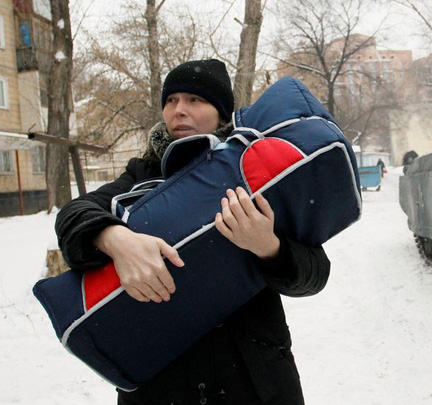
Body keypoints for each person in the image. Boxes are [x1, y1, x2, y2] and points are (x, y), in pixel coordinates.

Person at [55, 59, 331, 405]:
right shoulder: (143, 175)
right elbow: (73, 215)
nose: (179, 110)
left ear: (221, 113)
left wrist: (269, 247)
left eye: (194, 100)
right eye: (171, 101)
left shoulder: (255, 172)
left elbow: (315, 274)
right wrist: (114, 238)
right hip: (162, 386)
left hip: (255, 380)